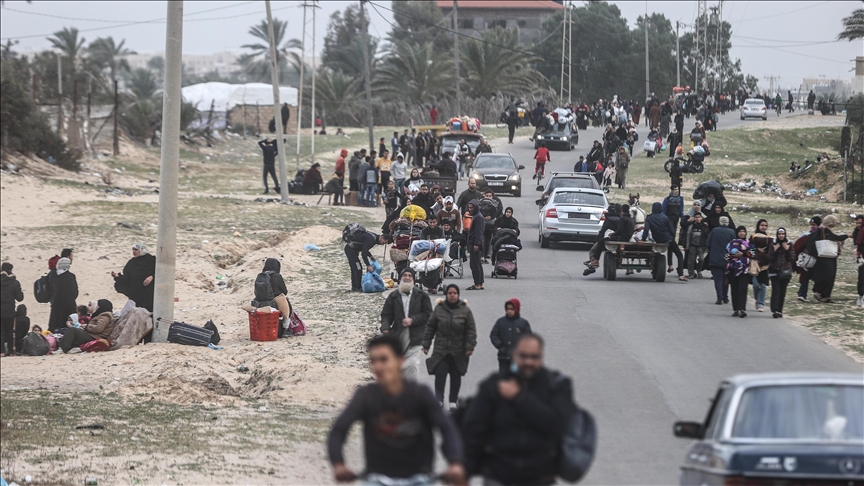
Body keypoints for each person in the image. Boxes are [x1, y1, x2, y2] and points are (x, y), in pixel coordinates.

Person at [327, 334, 466, 486]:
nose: (378, 366)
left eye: (384, 359)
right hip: (377, 478)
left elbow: (447, 428)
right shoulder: (366, 396)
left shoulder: (421, 395)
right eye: (373, 361)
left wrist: (455, 463)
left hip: (419, 478)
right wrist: (338, 464)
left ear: (401, 361)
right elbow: (339, 430)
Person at [462, 334, 575, 486]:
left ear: (542, 357)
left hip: (540, 478)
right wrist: (464, 471)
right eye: (523, 356)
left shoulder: (556, 386)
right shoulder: (494, 385)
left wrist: (520, 397)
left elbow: (558, 425)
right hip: (499, 476)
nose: (528, 361)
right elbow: (474, 430)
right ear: (514, 355)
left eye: (534, 357)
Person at [422, 284, 477, 409]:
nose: (452, 295)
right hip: (441, 349)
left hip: (458, 350)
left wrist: (470, 346)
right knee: (440, 374)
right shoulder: (439, 309)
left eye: (455, 293)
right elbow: (430, 327)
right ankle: (439, 399)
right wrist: (426, 344)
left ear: (458, 295)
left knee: (456, 375)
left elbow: (471, 330)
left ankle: (453, 401)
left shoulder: (465, 310)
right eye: (450, 293)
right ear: (446, 294)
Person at [380, 268, 433, 382]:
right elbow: (386, 315)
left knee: (412, 365)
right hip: (398, 336)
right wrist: (385, 328)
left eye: (410, 276)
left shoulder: (421, 296)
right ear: (400, 278)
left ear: (413, 279)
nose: (407, 278)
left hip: (416, 336)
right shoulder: (393, 296)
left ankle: (412, 394)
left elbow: (428, 314)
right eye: (405, 275)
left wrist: (413, 320)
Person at [807, 214, 849, 303]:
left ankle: (825, 295)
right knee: (828, 276)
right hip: (826, 257)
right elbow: (835, 238)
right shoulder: (825, 230)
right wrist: (847, 235)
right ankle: (820, 293)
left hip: (827, 256)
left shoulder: (823, 230)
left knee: (827, 276)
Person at [643, 202, 686, 281]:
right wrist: (672, 237)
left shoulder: (649, 218)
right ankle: (681, 274)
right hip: (668, 239)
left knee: (670, 249)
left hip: (657, 239)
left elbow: (646, 230)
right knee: (679, 255)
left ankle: (670, 265)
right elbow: (672, 230)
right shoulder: (665, 218)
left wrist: (642, 240)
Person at [489, 299, 531, 374]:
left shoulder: (523, 323)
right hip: (503, 357)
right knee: (504, 379)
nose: (509, 311)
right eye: (508, 309)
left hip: (518, 358)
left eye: (512, 309)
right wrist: (500, 346)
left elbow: (528, 338)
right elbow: (494, 335)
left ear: (517, 309)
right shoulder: (501, 322)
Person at [112, 242, 156, 312]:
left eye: (136, 250)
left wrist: (152, 277)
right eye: (133, 250)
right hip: (137, 293)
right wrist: (118, 276)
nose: (134, 252)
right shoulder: (132, 263)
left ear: (142, 250)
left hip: (150, 293)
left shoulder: (152, 260)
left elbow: (160, 273)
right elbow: (127, 279)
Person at [588, 203, 634, 268]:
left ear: (622, 210)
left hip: (621, 238)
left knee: (601, 241)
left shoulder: (623, 219)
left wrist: (613, 234)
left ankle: (596, 260)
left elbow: (620, 230)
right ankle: (595, 260)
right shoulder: (630, 219)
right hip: (627, 237)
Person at [706, 216, 734, 305]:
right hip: (727, 258)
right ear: (728, 223)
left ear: (719, 222)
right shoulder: (731, 232)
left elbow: (708, 244)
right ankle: (725, 297)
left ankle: (719, 297)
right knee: (726, 279)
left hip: (715, 258)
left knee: (718, 279)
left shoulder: (714, 231)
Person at [767, 228, 795, 318]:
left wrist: (787, 250)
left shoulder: (789, 244)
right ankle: (775, 310)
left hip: (785, 271)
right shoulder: (773, 244)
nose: (781, 236)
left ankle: (780, 310)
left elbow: (793, 259)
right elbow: (769, 258)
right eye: (779, 234)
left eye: (783, 234)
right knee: (776, 290)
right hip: (774, 271)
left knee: (782, 291)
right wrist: (775, 250)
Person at [726, 227, 752, 317]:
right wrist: (732, 256)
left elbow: (753, 253)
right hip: (733, 269)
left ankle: (742, 309)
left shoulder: (748, 243)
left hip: (744, 270)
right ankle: (736, 309)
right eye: (740, 231)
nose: (742, 233)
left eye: (743, 231)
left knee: (743, 289)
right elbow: (725, 255)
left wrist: (743, 254)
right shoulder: (731, 243)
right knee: (734, 289)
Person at [48, 257, 78, 333]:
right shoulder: (70, 276)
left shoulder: (53, 276)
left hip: (56, 304)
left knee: (55, 327)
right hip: (69, 305)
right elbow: (75, 292)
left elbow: (51, 290)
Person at [794, 216, 821, 301]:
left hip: (818, 261)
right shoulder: (806, 235)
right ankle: (802, 294)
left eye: (814, 224)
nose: (813, 226)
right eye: (811, 224)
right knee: (805, 277)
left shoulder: (822, 234)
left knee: (818, 278)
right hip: (807, 261)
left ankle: (819, 294)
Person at [1, 262, 24, 357]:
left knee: (1, 331)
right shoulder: (14, 282)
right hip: (10, 310)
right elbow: (19, 298)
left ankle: (1, 351)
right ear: (10, 270)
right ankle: (11, 351)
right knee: (10, 331)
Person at [749, 219, 772, 312]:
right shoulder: (753, 236)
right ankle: (757, 299)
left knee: (763, 285)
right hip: (755, 263)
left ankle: (761, 303)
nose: (764, 227)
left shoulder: (769, 237)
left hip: (765, 264)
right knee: (755, 284)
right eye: (762, 225)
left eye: (765, 225)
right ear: (758, 226)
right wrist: (757, 249)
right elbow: (749, 249)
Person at [466, 200, 485, 291]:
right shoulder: (476, 216)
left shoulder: (478, 217)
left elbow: (478, 232)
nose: (470, 209)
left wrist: (476, 244)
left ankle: (477, 283)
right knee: (477, 263)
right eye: (469, 207)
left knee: (474, 264)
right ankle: (480, 283)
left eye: (472, 207)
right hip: (475, 242)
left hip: (475, 243)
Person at [684, 212, 708, 279]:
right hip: (692, 245)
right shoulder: (691, 226)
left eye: (699, 217)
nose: (697, 219)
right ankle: (691, 273)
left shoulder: (704, 227)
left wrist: (706, 246)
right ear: (694, 218)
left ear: (701, 218)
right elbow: (687, 236)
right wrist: (686, 245)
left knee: (701, 259)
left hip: (701, 246)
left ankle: (699, 270)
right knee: (691, 260)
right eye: (696, 217)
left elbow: (707, 236)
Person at [853, 215, 864, 307]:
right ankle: (860, 295)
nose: (858, 225)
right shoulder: (857, 231)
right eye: (857, 223)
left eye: (860, 223)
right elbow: (856, 243)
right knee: (861, 278)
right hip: (861, 257)